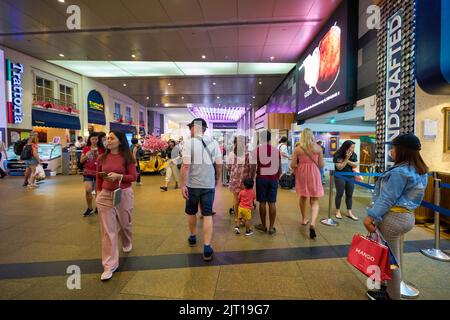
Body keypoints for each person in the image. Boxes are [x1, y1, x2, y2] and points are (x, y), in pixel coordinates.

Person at [364, 133, 428, 300]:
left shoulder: (400, 172)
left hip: (392, 219)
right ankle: (386, 288)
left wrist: (371, 217)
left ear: (403, 150)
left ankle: (393, 296)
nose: (391, 151)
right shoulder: (420, 170)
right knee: (393, 256)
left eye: (393, 148)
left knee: (391, 261)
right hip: (407, 217)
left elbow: (387, 197)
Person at [96, 131, 137, 281]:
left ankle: (127, 240)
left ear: (120, 141)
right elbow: (98, 175)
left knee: (125, 224)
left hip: (123, 193)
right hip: (105, 195)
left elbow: (134, 176)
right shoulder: (102, 157)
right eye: (107, 138)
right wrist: (98, 192)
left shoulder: (127, 157)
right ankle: (109, 265)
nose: (108, 140)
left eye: (112, 138)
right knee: (108, 231)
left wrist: (119, 177)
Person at [180, 118, 223, 262]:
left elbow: (185, 166)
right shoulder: (214, 143)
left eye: (189, 127)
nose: (189, 130)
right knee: (207, 214)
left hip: (192, 185)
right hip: (208, 185)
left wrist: (182, 185)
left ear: (194, 127)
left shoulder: (188, 143)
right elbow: (219, 164)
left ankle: (193, 236)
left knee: (191, 211)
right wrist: (216, 178)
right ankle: (207, 247)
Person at [291, 129, 324, 239]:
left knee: (303, 196)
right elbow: (321, 164)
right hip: (314, 173)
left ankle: (304, 218)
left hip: (302, 173)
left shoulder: (298, 149)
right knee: (314, 200)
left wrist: (297, 171)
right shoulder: (318, 148)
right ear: (312, 136)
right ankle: (313, 223)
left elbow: (293, 164)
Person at [253, 130, 281, 235]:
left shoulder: (257, 150)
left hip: (261, 178)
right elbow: (279, 167)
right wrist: (277, 178)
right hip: (273, 179)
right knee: (272, 203)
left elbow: (253, 166)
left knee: (262, 202)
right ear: (270, 138)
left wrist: (251, 178)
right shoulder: (276, 151)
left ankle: (263, 226)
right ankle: (272, 227)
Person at [227, 136, 256, 231]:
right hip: (245, 181)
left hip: (234, 179)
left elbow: (228, 166)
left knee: (236, 199)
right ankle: (244, 218)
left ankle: (237, 218)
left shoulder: (232, 153)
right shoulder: (249, 153)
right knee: (245, 200)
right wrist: (251, 178)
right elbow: (252, 167)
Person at [80, 132, 105, 217]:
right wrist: (88, 154)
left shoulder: (102, 149)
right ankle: (89, 207)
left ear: (98, 140)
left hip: (98, 172)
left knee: (98, 191)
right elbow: (81, 161)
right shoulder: (86, 148)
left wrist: (99, 156)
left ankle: (98, 206)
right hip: (88, 172)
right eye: (92, 139)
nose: (94, 141)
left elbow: (105, 161)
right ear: (89, 140)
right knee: (88, 190)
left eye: (96, 139)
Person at [333, 140, 359, 221]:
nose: (353, 149)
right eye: (352, 147)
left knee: (349, 195)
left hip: (350, 176)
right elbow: (339, 167)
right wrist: (347, 158)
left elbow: (355, 165)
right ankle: (338, 211)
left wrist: (346, 160)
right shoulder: (338, 154)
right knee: (339, 193)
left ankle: (349, 212)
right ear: (347, 147)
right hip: (339, 176)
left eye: (354, 147)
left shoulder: (354, 154)